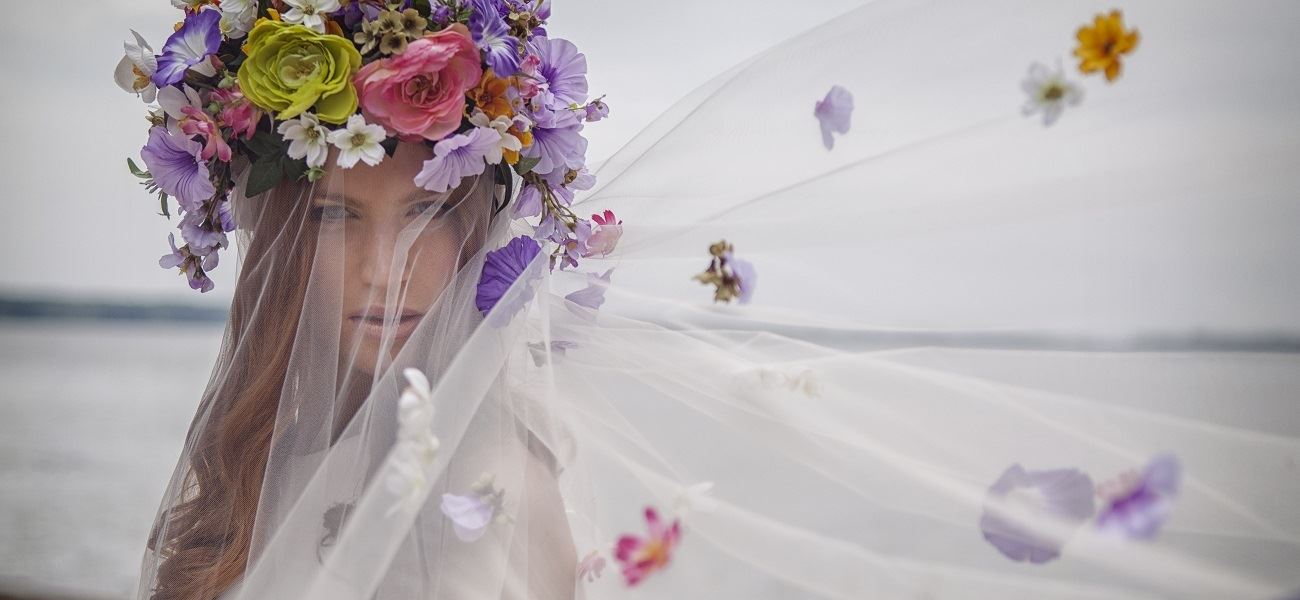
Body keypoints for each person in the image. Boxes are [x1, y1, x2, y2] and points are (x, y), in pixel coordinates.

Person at [120, 1, 1300, 599]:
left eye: (426, 218)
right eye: (335, 220)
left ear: (484, 222)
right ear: (275, 239)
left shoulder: (504, 480)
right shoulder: (240, 468)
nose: (383, 271)